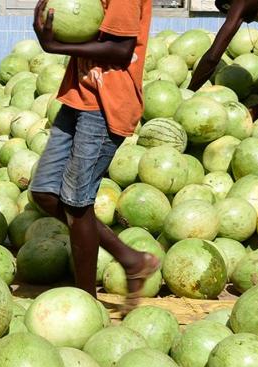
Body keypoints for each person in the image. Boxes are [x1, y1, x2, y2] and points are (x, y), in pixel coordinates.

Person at [29, 0, 160, 298]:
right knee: (45, 193)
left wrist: (55, 47)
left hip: (106, 105)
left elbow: (121, 49)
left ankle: (86, 299)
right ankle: (131, 259)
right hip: (79, 95)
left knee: (76, 203)